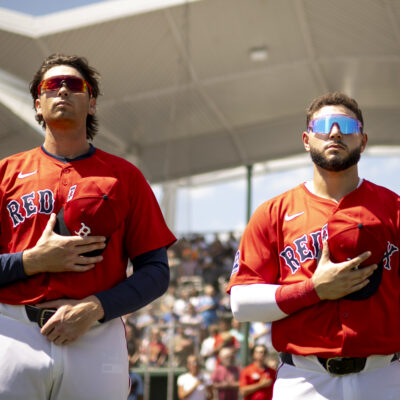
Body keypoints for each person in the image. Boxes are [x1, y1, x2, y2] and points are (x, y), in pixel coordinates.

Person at [0, 54, 176, 400]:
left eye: (74, 85)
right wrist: (32, 261)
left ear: (91, 103)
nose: (62, 90)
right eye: (52, 85)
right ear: (38, 103)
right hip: (13, 330)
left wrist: (96, 307)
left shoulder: (125, 177)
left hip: (95, 332)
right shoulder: (4, 173)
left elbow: (156, 272)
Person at [228, 92, 400, 400]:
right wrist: (314, 289)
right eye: (324, 125)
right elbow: (240, 303)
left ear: (363, 140)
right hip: (304, 379)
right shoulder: (273, 213)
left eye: (347, 125)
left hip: (385, 375)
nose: (335, 132)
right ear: (307, 139)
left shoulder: (394, 208)